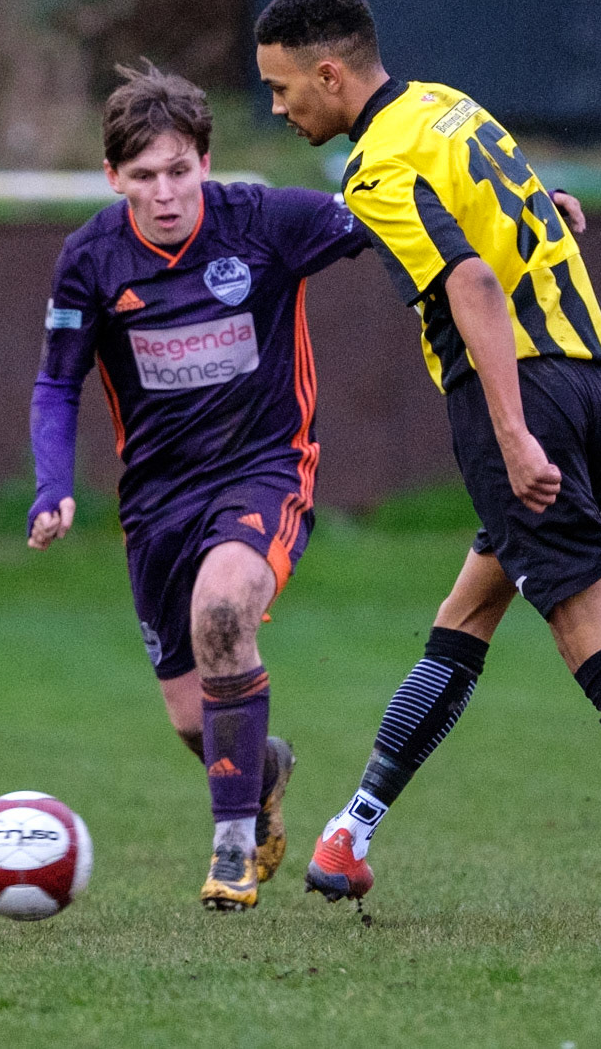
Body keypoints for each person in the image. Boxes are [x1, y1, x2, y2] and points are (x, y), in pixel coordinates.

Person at [255, 0, 601, 928]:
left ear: (329, 73)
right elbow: (510, 210)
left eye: (279, 87)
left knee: (593, 638)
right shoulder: (446, 107)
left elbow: (467, 278)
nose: (276, 105)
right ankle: (350, 832)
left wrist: (510, 434)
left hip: (523, 396)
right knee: (467, 609)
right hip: (597, 378)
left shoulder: (373, 167)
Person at [27, 62, 369, 910]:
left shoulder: (266, 221)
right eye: (143, 177)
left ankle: (230, 849)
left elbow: (397, 214)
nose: (165, 191)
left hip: (265, 466)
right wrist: (50, 484)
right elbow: (56, 383)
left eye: (179, 170)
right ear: (114, 179)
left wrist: (528, 206)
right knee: (195, 719)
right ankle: (265, 771)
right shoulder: (92, 259)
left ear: (205, 162)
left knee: (224, 612)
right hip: (157, 502)